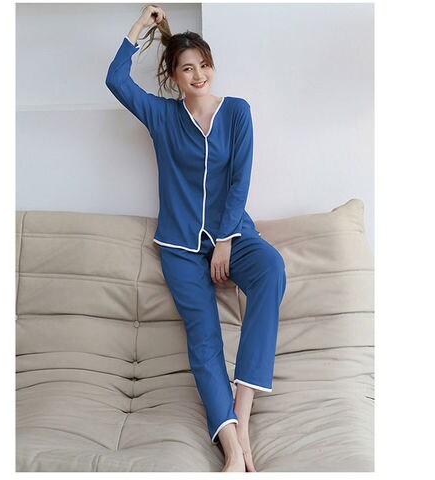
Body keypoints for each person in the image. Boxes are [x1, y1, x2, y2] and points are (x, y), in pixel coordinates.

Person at [105, 4, 287, 472]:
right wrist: (139, 27)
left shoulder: (237, 112)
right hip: (180, 246)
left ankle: (242, 416)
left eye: (204, 65)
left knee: (270, 269)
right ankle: (231, 449)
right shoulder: (161, 116)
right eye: (187, 68)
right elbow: (115, 79)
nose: (199, 74)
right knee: (204, 338)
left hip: (234, 235)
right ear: (174, 76)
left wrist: (225, 240)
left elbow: (240, 181)